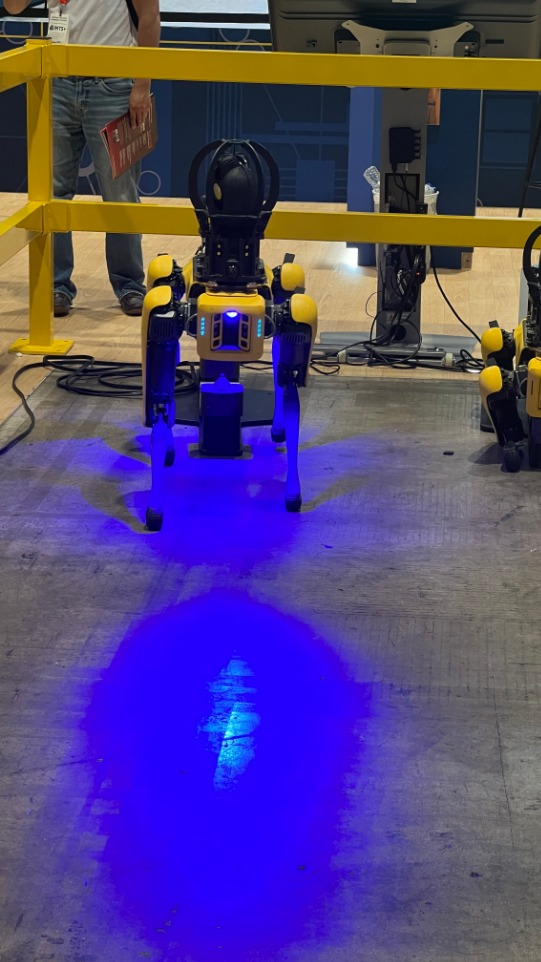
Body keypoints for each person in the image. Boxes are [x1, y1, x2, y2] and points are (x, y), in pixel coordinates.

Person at [3, 0, 161, 317]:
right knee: (52, 192)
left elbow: (150, 16)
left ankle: (129, 284)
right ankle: (56, 285)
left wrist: (142, 84)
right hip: (57, 81)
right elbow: (13, 7)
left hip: (113, 84)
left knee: (119, 194)